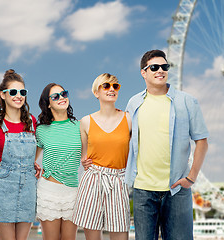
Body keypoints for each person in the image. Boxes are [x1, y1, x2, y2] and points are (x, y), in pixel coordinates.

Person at [125, 49, 209, 240]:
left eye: (164, 66)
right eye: (154, 67)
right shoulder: (134, 103)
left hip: (177, 189)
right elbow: (124, 138)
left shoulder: (187, 101)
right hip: (143, 190)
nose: (160, 70)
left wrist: (191, 177)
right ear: (143, 72)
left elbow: (202, 142)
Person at [72, 73, 132, 240]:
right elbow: (84, 156)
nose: (111, 89)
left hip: (119, 181)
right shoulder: (85, 122)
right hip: (92, 180)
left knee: (120, 233)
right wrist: (84, 161)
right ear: (96, 92)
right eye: (106, 86)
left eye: (115, 86)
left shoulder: (129, 119)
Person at [0, 69, 40, 240]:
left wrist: (33, 161)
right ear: (2, 95)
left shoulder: (32, 121)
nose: (18, 96)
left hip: (28, 185)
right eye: (13, 92)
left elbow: (41, 144)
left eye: (22, 92)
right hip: (4, 184)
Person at [35, 83, 81, 240]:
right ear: (48, 103)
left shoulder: (81, 126)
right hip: (48, 192)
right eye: (55, 96)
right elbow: (30, 159)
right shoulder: (40, 130)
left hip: (73, 192)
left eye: (64, 94)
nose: (61, 98)